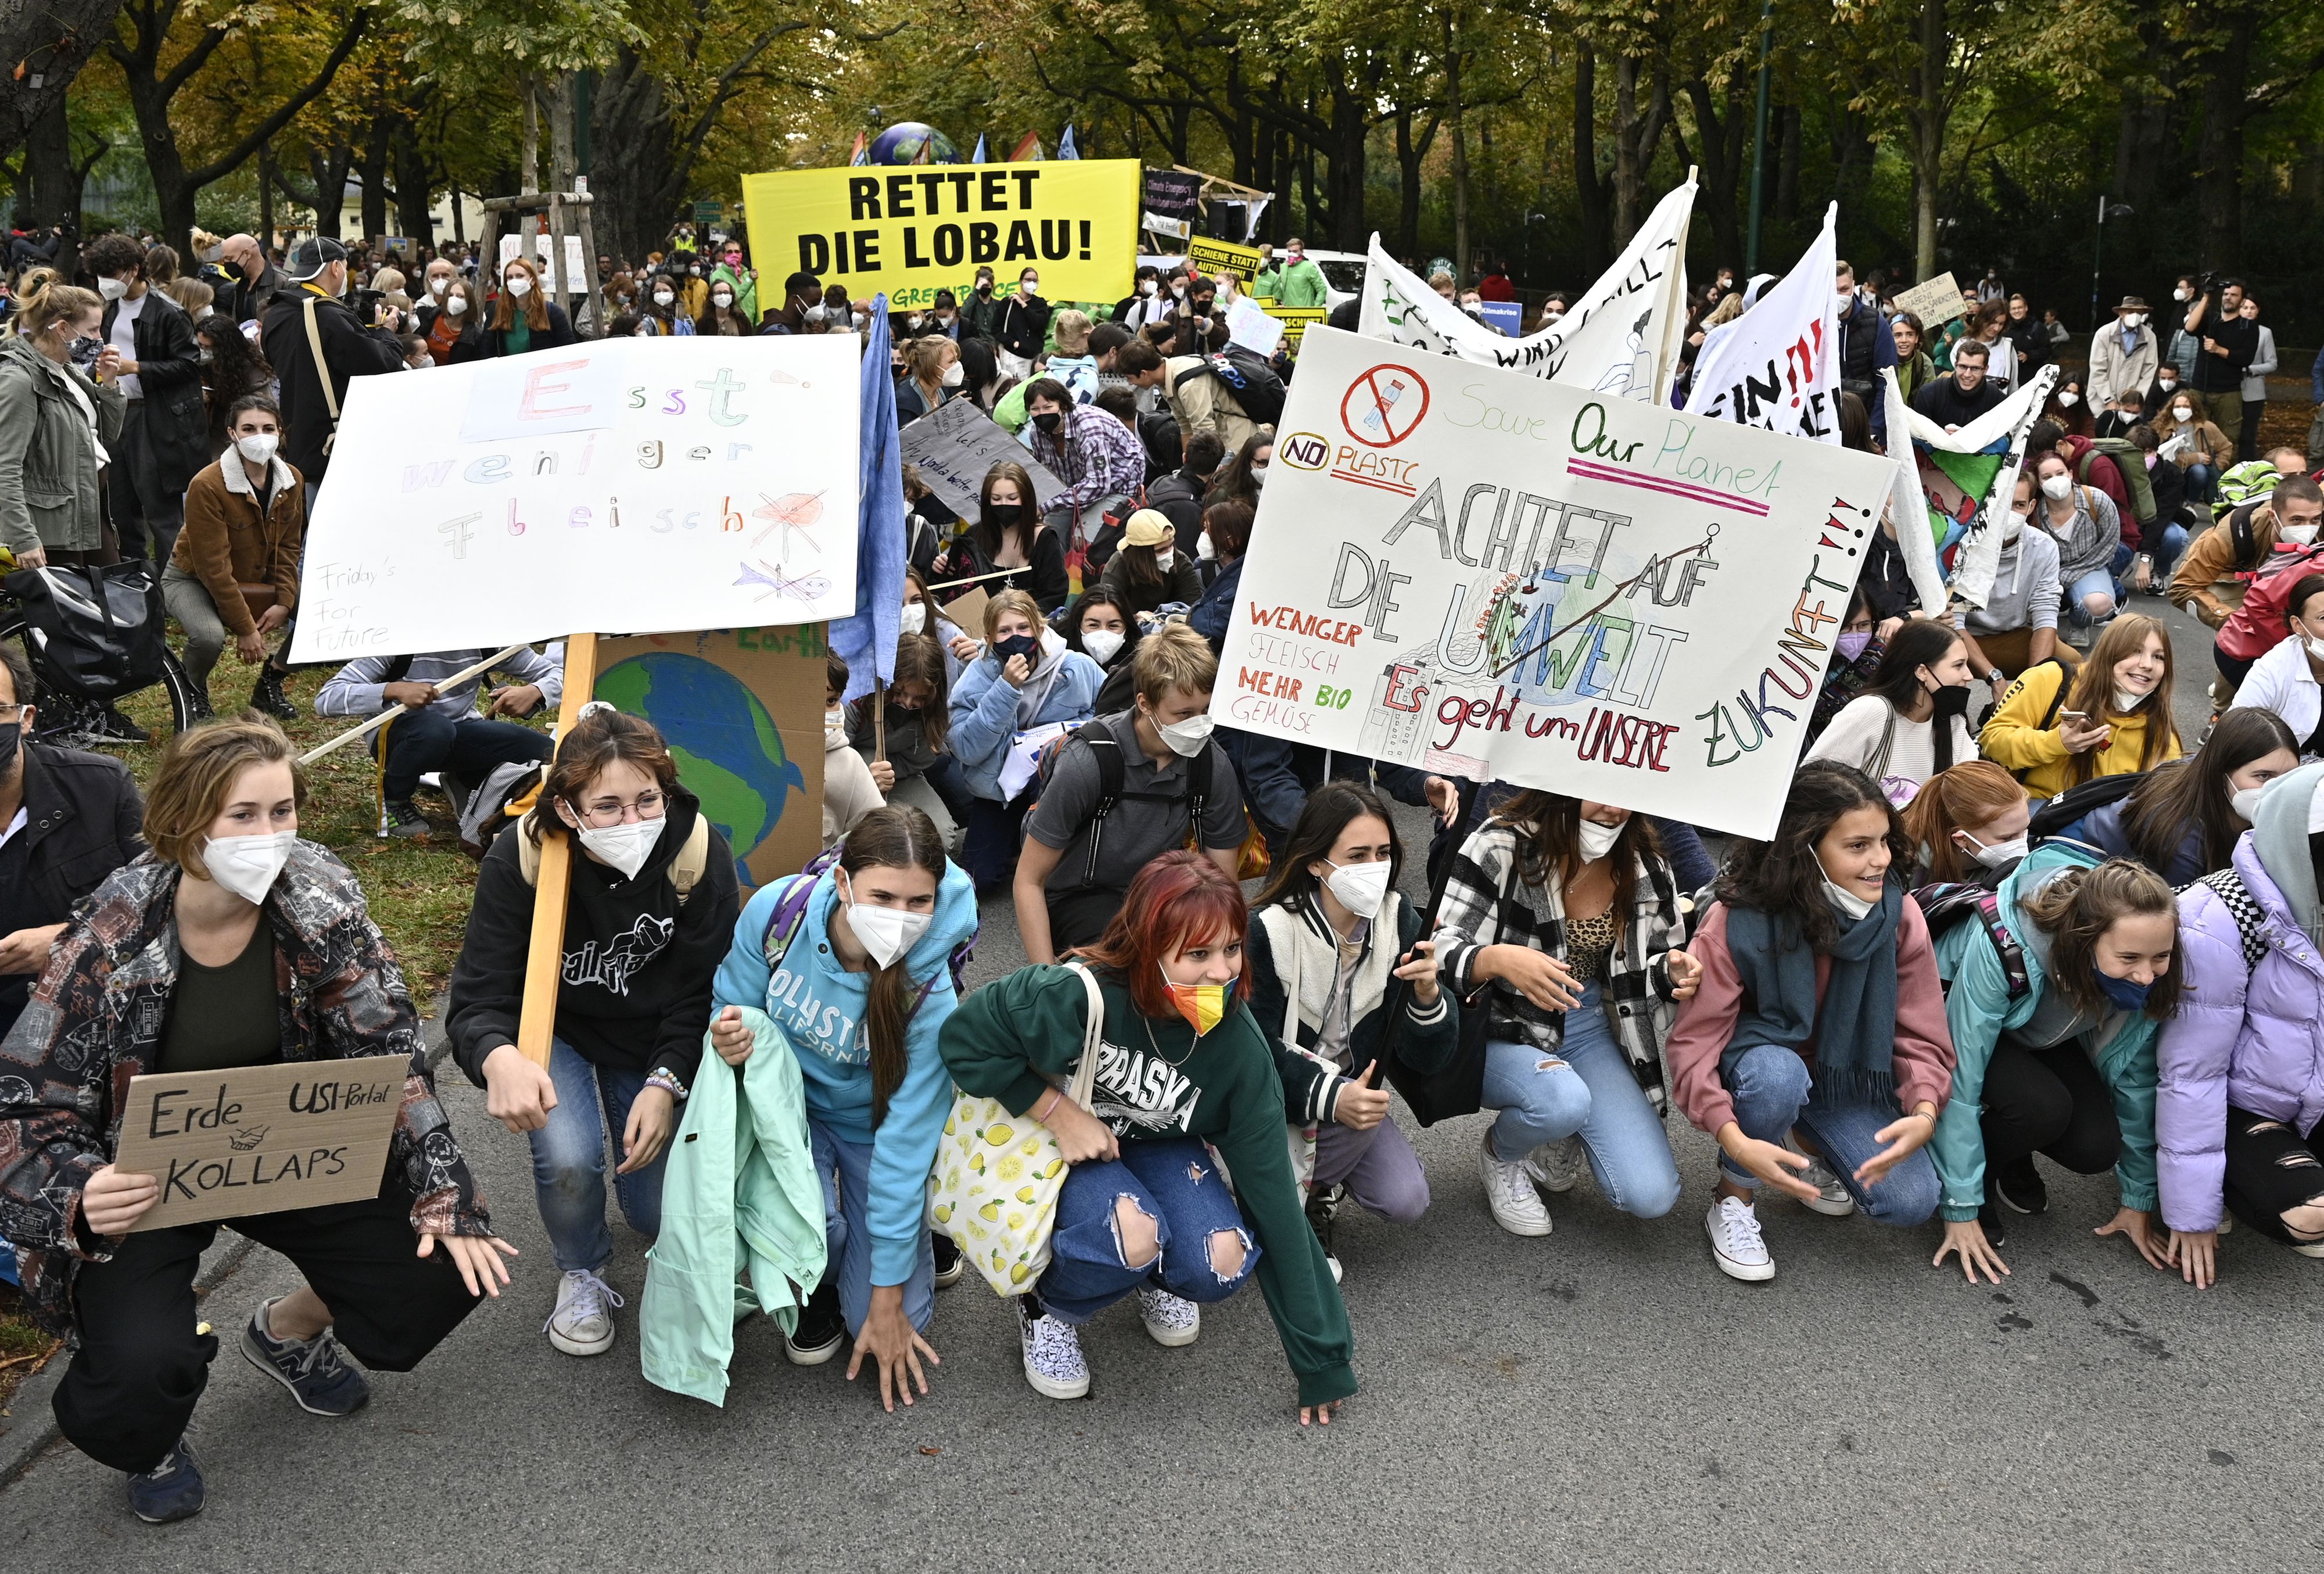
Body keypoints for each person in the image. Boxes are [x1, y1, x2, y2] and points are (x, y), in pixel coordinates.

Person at [0, 718, 509, 1523]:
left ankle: (284, 1331)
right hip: (142, 1177)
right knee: (142, 1362)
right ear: (183, 819)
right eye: (241, 815)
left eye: (282, 811)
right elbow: (28, 1102)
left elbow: (389, 1050)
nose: (268, 835)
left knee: (440, 1259)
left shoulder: (319, 899)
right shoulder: (108, 936)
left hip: (284, 1146)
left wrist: (448, 1193)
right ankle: (150, 1438)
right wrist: (80, 1191)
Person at [938, 851, 1355, 1421]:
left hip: (1159, 1146)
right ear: (1147, 945)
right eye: (1197, 954)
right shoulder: (1080, 992)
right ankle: (1049, 1304)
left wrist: (1321, 1360)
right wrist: (1058, 1112)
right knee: (1130, 1235)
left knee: (1223, 1259)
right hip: (1068, 1142)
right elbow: (963, 1039)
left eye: (1232, 948)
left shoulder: (1239, 1050)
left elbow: (1276, 1204)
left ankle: (1155, 1271)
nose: (1221, 972)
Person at [445, 707, 737, 1357]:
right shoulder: (521, 858)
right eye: (606, 806)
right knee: (570, 1161)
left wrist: (667, 1080)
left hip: (652, 1034)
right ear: (568, 807)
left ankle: (664, 1237)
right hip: (558, 1028)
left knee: (655, 1209)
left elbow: (703, 990)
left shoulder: (697, 851)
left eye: (647, 800)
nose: (632, 822)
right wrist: (497, 1056)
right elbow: (479, 995)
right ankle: (581, 1268)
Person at [701, 804, 975, 1387]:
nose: (899, 917)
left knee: (883, 1320)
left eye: (918, 902)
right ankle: (826, 1271)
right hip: (790, 1114)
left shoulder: (930, 991)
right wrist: (727, 1033)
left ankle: (910, 1236)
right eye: (883, 897)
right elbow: (732, 1001)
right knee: (809, 1230)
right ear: (843, 881)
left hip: (872, 1126)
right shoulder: (778, 914)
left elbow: (904, 1148)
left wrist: (886, 1296)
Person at [1664, 761, 1952, 1282]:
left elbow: (1923, 1030)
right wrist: (1735, 1140)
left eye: (1883, 841)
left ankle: (1805, 1135)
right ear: (1805, 849)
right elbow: (1695, 1044)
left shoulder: (1900, 914)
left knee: (1910, 1201)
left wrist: (1925, 1109)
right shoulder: (1736, 917)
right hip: (1763, 1063)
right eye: (1858, 845)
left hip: (1843, 1071)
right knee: (1780, 1077)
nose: (1881, 860)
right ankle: (1733, 1196)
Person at [1436, 789, 1703, 1238]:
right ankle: (1502, 1154)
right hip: (1498, 1023)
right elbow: (1436, 949)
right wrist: (1497, 959)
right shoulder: (1499, 845)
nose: (1613, 808)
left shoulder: (1646, 865)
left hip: (1583, 1021)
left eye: (1625, 793)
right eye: (1598, 791)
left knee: (1652, 1194)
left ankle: (1564, 1124)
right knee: (1563, 1100)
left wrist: (1673, 972)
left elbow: (1651, 964)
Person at [1928, 848, 2179, 1280]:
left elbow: (2136, 1080)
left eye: (2161, 956)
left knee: (2097, 1147)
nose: (2146, 975)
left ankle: (2011, 1150)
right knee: (2042, 1108)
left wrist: (2137, 1200)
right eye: (2129, 959)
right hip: (1956, 1017)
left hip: (2036, 1025)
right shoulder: (2006, 942)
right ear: (2085, 937)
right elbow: (1961, 1074)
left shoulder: (2146, 952)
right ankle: (1977, 1178)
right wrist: (1960, 1205)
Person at [1246, 782, 1454, 1265]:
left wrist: (1427, 994)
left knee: (1406, 1198)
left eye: (1383, 853)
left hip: (1346, 1101)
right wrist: (1333, 1096)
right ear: (1315, 862)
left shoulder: (1399, 918)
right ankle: (1278, 1204)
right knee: (1359, 1111)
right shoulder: (1268, 929)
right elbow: (1252, 1053)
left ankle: (1312, 1189)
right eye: (1357, 855)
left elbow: (1428, 1058)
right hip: (1275, 1102)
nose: (1374, 867)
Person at [2158, 762, 2324, 1284]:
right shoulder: (2214, 919)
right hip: (2239, 1103)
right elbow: (2192, 1074)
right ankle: (2234, 1184)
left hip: (2311, 1095)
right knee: (2308, 1213)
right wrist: (2192, 1212)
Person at [1014, 624, 1245, 958]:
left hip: (1159, 893)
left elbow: (1225, 888)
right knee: (1125, 964)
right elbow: (1028, 881)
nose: (1199, 725)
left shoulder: (1211, 765)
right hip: (1079, 896)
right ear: (1145, 704)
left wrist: (1230, 961)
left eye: (1206, 711)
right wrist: (1045, 976)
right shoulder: (1087, 762)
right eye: (1184, 714)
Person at [0, 641, 144, 1039]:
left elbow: (167, 902)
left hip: (91, 1017)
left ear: (26, 718)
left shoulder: (103, 789)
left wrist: (72, 941)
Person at [312, 644, 562, 838]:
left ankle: (467, 781)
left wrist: (536, 691)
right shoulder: (396, 642)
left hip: (461, 730)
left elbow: (564, 673)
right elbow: (327, 698)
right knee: (435, 730)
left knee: (545, 751)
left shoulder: (488, 638)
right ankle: (396, 803)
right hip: (399, 736)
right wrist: (393, 690)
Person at [948, 589, 1104, 893]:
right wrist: (1005, 689)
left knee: (1057, 879)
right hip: (999, 787)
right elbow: (966, 748)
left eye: (1023, 628)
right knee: (980, 880)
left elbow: (1111, 711)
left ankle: (1046, 851)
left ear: (1040, 629)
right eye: (1004, 631)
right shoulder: (977, 676)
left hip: (1055, 783)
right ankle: (1017, 844)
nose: (1016, 637)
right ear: (989, 638)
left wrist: (1070, 734)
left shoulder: (1075, 666)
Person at [164, 395, 302, 717]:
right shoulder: (207, 485)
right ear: (232, 433)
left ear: (280, 432)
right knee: (209, 637)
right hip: (192, 578)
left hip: (254, 575)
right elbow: (212, 567)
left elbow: (288, 548)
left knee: (321, 618)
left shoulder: (292, 479)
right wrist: (245, 628)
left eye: (268, 428)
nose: (260, 436)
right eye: (249, 429)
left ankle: (271, 682)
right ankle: (193, 692)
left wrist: (284, 601)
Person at [2051, 709, 2297, 884]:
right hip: (2079, 863)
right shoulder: (2183, 841)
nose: (2278, 788)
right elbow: (2181, 919)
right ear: (2221, 771)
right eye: (2264, 776)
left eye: (2289, 776)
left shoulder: (2202, 774)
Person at [81, 233, 205, 568]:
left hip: (154, 417)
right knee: (119, 507)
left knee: (161, 509)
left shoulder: (168, 312)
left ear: (134, 270)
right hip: (114, 411)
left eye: (111, 274)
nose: (105, 282)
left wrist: (136, 367)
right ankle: (134, 580)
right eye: (100, 275)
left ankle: (173, 582)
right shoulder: (108, 309)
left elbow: (190, 365)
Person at [259, 238, 404, 501]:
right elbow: (383, 366)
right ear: (336, 267)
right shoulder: (327, 315)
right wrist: (386, 333)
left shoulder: (276, 313)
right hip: (336, 443)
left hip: (298, 436)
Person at [1979, 613, 2182, 800]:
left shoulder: (2161, 729)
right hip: (2038, 805)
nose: (2148, 665)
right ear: (2109, 653)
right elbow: (1992, 742)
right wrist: (2055, 742)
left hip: (2106, 819)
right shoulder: (2051, 678)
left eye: (2159, 657)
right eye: (2135, 651)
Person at [0, 281, 120, 570]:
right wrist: (23, 538)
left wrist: (109, 385)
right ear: (63, 329)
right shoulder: (19, 380)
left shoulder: (69, 370)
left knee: (114, 589)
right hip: (52, 528)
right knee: (71, 599)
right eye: (93, 330)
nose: (100, 339)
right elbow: (5, 466)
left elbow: (107, 436)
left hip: (87, 510)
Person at [1802, 621, 1976, 804]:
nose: (1969, 675)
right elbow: (1813, 784)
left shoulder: (1952, 721)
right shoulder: (1872, 711)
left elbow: (1968, 793)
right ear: (1922, 672)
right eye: (1958, 665)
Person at [2169, 474, 2324, 637]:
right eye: (2297, 520)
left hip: (2294, 588)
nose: (2308, 528)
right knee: (2244, 640)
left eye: (2315, 520)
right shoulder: (2233, 533)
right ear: (2273, 517)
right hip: (2238, 584)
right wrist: (2234, 622)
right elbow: (2184, 587)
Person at [848, 633, 971, 831]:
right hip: (854, 772)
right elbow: (835, 757)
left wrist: (888, 771)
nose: (907, 704)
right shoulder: (857, 701)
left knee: (939, 830)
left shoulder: (932, 718)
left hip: (899, 775)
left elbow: (915, 762)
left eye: (920, 698)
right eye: (899, 692)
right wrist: (862, 777)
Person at [930, 461, 1069, 614]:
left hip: (1030, 624)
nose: (1004, 505)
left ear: (1026, 498)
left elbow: (1055, 594)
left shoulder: (1044, 539)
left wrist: (1022, 619)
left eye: (1012, 498)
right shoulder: (974, 536)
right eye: (996, 499)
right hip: (980, 624)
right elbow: (954, 590)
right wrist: (940, 570)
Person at [1024, 377, 1145, 550]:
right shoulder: (1037, 433)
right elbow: (1047, 475)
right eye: (1035, 409)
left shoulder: (1088, 429)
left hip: (1117, 486)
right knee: (1046, 535)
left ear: (1063, 406)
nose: (1042, 414)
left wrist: (1046, 507)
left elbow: (1099, 484)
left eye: (1048, 407)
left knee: (1082, 541)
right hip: (1077, 488)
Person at [2026, 450, 2123, 640]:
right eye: (2047, 477)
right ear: (2039, 483)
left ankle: (2078, 623)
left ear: (2070, 474)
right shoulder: (2034, 511)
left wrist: (2067, 575)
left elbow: (2108, 545)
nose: (2056, 480)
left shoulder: (2097, 500)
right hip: (2045, 572)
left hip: (2089, 568)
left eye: (2060, 473)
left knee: (2099, 604)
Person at [1899, 759, 2029, 886]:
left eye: (2024, 830)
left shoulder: (1987, 844)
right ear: (1962, 839)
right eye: (2007, 838)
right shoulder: (1903, 866)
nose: (2022, 844)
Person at [820, 653, 886, 847]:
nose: (824, 712)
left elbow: (877, 834)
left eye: (831, 701)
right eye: (812, 701)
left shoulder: (850, 764)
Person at [193, 311, 272, 457]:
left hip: (247, 436)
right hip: (219, 432)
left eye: (208, 347)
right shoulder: (211, 366)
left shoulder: (253, 372)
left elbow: (261, 411)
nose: (203, 351)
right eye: (201, 346)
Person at [1098, 508, 1201, 617]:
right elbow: (1107, 613)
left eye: (1171, 545)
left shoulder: (1181, 561)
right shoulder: (1116, 569)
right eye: (1160, 550)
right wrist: (1135, 619)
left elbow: (1192, 608)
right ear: (1140, 553)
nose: (1169, 553)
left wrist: (1163, 619)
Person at [1186, 498, 1255, 651]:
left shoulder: (1251, 577)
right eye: (1204, 529)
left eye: (1210, 531)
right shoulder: (1202, 567)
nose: (1204, 536)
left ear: (1234, 539)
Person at [1059, 585, 1141, 714]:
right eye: (1093, 625)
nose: (1103, 633)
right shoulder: (1058, 655)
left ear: (1126, 629)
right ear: (1078, 625)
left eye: (1113, 626)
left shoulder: (1139, 662)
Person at [2154, 388, 2235, 506]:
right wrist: (2195, 458)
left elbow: (2226, 448)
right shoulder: (2162, 427)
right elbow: (2158, 454)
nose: (2181, 410)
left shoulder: (2207, 427)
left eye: (2186, 407)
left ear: (2193, 408)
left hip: (2196, 472)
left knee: (2199, 472)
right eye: (2178, 407)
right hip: (2171, 470)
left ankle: (2191, 503)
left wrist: (2218, 465)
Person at [1909, 338, 2004, 430]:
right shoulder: (1929, 394)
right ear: (1955, 365)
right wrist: (1941, 436)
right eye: (1963, 367)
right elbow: (1917, 435)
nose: (1967, 374)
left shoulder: (1996, 400)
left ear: (1985, 370)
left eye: (1975, 369)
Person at [2088, 295, 2157, 411]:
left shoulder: (2149, 337)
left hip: (2132, 404)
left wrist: (2136, 400)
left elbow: (2149, 371)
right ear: (2121, 313)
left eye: (2139, 313)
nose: (2135, 316)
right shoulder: (2104, 334)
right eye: (2130, 312)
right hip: (2101, 399)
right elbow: (2098, 369)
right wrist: (2108, 399)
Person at [2233, 292, 2275, 463]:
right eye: (2245, 307)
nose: (2249, 311)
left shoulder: (2265, 333)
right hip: (2229, 389)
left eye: (2253, 308)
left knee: (2247, 436)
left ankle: (2249, 469)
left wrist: (2251, 370)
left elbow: (2272, 363)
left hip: (2253, 391)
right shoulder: (2230, 329)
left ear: (2258, 311)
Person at [994, 267, 1050, 382]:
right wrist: (1014, 343)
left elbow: (1038, 323)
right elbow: (996, 329)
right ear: (1021, 282)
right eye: (1028, 280)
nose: (1031, 283)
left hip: (1034, 358)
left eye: (1035, 280)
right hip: (1014, 356)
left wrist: (1023, 305)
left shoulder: (1040, 303)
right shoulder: (1007, 303)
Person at [892, 334, 960, 425]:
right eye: (951, 361)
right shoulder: (905, 404)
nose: (957, 365)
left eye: (957, 359)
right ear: (931, 367)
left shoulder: (945, 386)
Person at [1205, 428, 1272, 514]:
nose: (1268, 468)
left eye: (1273, 462)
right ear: (1248, 462)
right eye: (1262, 463)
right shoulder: (1225, 494)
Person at [1887, 312, 1936, 404]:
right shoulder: (1881, 360)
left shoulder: (1924, 364)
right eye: (1898, 335)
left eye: (1910, 335)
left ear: (1917, 338)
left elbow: (1930, 399)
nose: (1904, 340)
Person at [1271, 239, 1330, 309]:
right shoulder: (1284, 267)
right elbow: (1279, 288)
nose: (1292, 254)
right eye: (1290, 251)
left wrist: (1315, 308)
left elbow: (1322, 289)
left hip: (1303, 312)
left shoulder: (1309, 267)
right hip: (1286, 311)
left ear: (1302, 252)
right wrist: (1278, 303)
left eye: (1295, 251)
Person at [695, 274, 749, 338]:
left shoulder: (741, 319)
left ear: (732, 296)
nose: (723, 296)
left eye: (726, 293)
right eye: (719, 293)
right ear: (712, 298)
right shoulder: (704, 323)